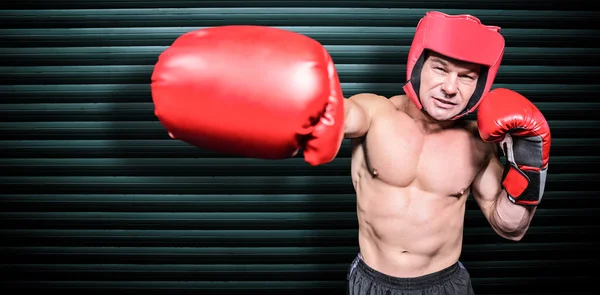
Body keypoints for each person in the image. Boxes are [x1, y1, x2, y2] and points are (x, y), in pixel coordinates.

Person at [150, 11, 551, 295]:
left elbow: (511, 227)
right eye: (441, 69)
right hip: (373, 282)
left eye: (466, 78)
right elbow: (338, 115)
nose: (450, 87)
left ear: (481, 85)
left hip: (447, 283)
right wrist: (238, 100)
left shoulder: (479, 143)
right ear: (418, 66)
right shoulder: (375, 112)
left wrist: (530, 159)